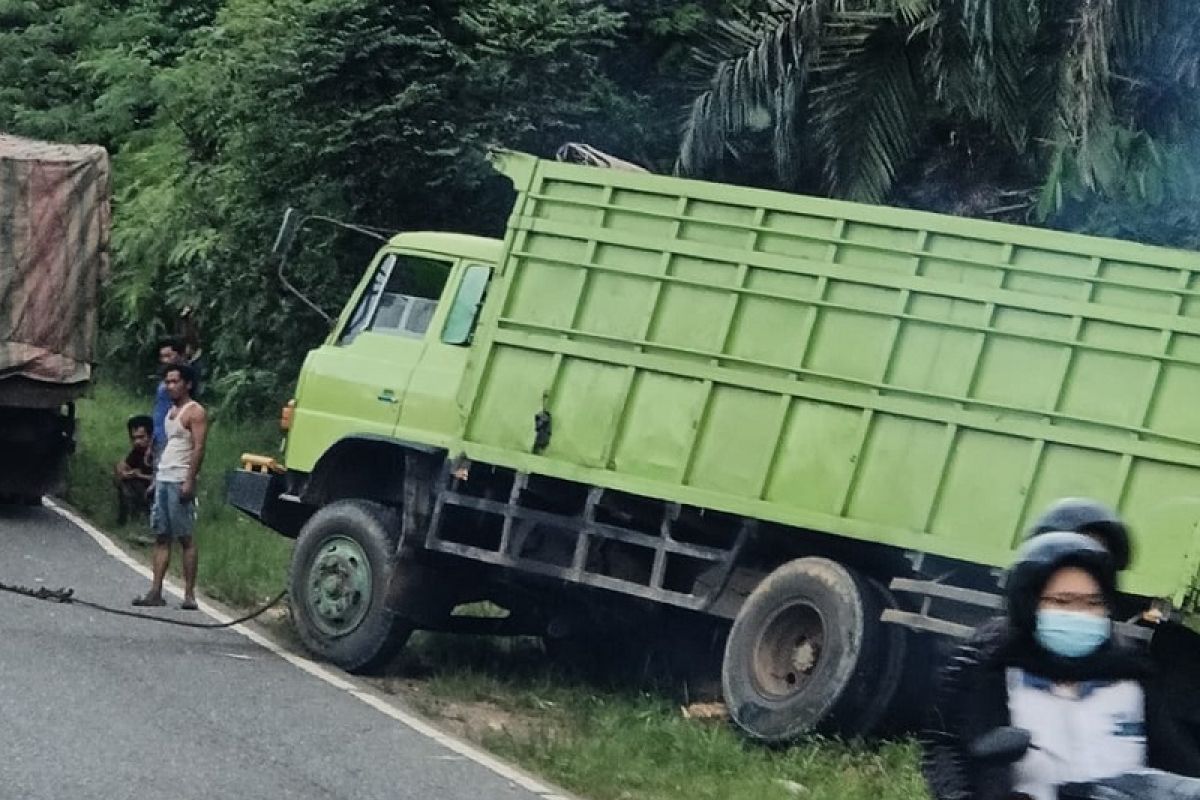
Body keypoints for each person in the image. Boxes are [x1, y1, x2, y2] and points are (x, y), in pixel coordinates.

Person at [922, 532, 1200, 800]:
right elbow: (949, 754)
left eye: (1092, 603)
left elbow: (1176, 764)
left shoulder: (1132, 678)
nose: (1078, 614)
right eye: (1062, 601)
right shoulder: (992, 674)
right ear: (1029, 602)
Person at [133, 362, 208, 610]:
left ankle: (189, 595)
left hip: (179, 478)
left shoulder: (195, 412)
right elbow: (169, 445)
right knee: (161, 536)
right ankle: (155, 590)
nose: (171, 386)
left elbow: (198, 447)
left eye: (176, 381)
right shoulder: (170, 412)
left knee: (185, 537)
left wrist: (189, 479)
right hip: (165, 476)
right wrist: (156, 476)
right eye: (168, 382)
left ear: (188, 384)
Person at [152, 338, 188, 464]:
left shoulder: (184, 381)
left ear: (179, 355)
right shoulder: (164, 379)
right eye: (162, 356)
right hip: (158, 432)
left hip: (172, 434)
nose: (164, 360)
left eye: (168, 356)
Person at [113, 415, 154, 524]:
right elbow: (124, 465)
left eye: (141, 437)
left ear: (150, 436)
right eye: (134, 438)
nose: (137, 442)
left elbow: (161, 478)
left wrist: (138, 475)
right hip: (141, 486)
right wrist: (124, 472)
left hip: (154, 489)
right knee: (123, 482)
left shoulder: (158, 452)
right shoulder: (137, 451)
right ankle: (126, 519)